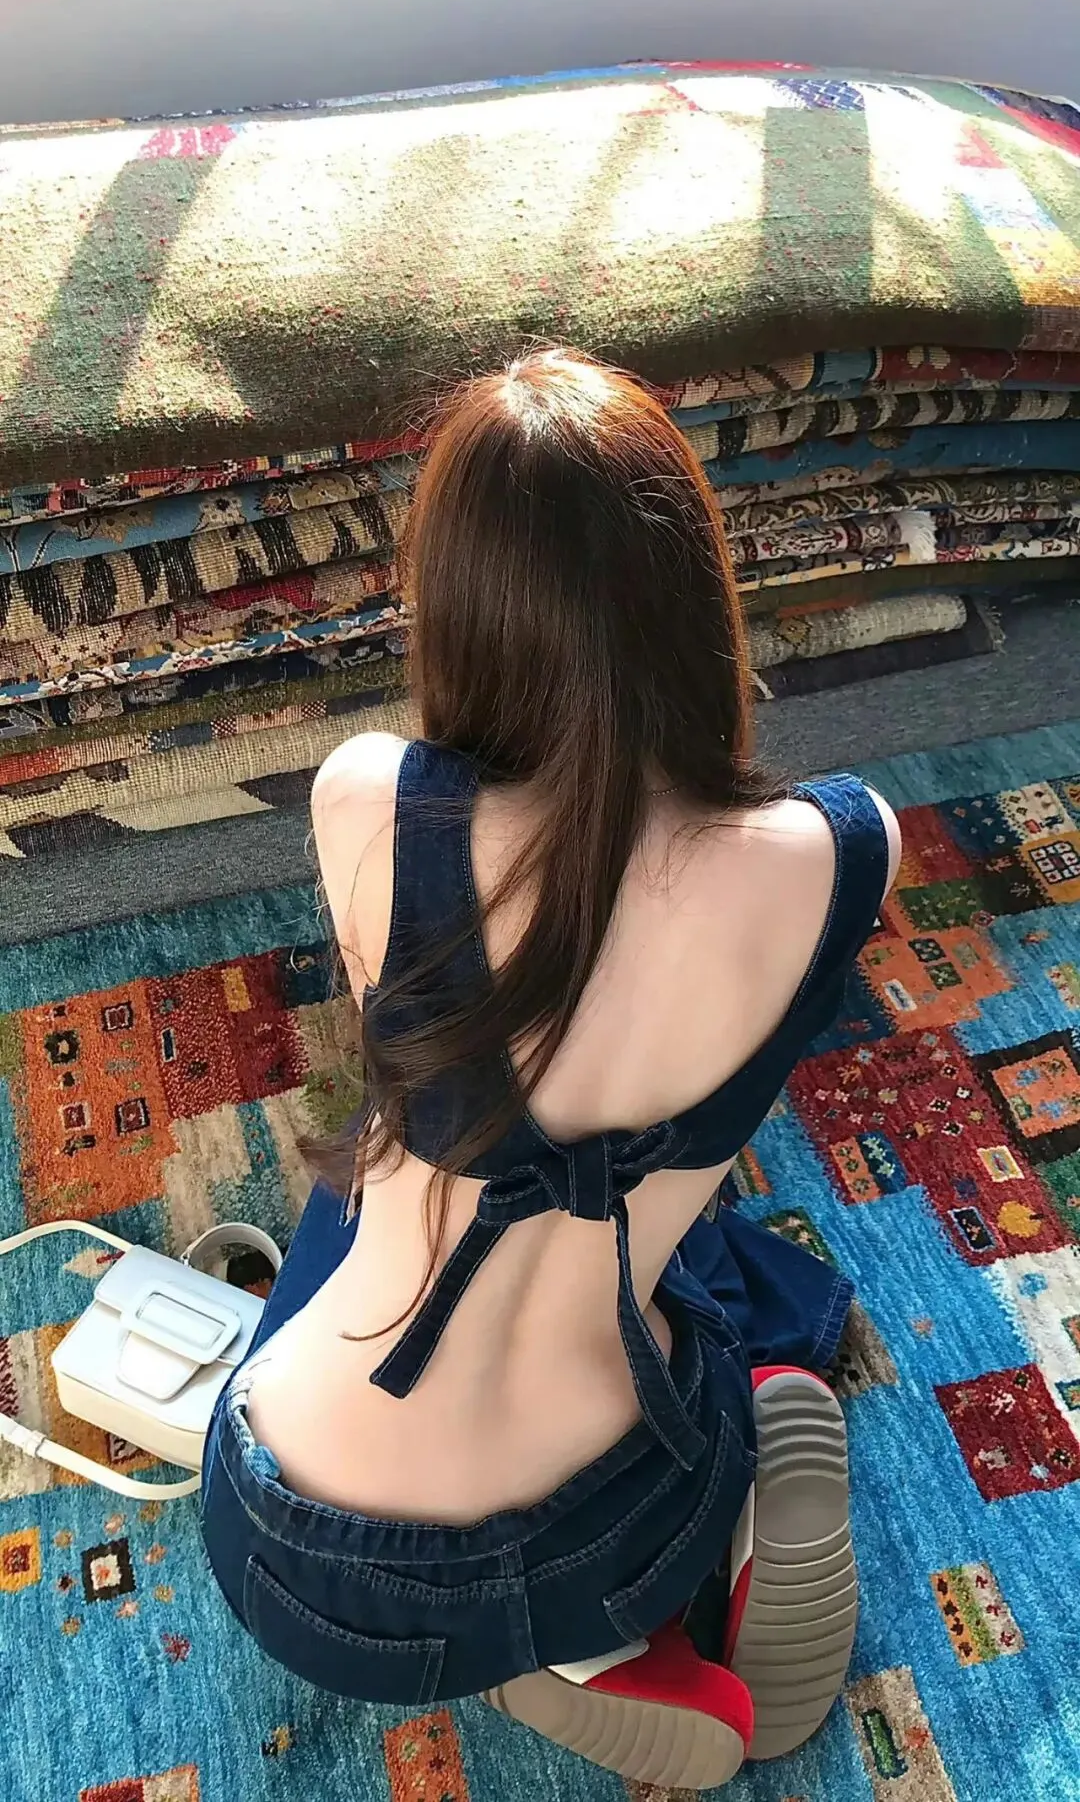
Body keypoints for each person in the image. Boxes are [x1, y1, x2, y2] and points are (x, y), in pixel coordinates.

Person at [200, 346, 900, 1787]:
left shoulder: (367, 799)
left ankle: (565, 1658)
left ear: (453, 609)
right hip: (619, 1522)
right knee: (683, 1250)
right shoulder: (851, 849)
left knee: (377, 1162)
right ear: (698, 597)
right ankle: (632, 1604)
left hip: (295, 1556)